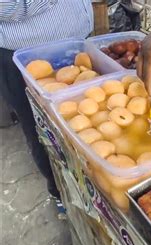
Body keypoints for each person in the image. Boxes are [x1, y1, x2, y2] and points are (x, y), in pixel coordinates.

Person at [0, 1, 94, 206]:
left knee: (87, 123)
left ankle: (89, 192)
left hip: (77, 40)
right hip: (27, 54)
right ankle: (59, 193)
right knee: (42, 131)